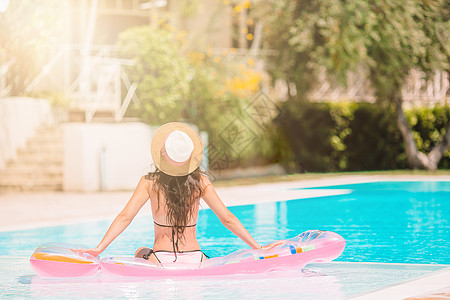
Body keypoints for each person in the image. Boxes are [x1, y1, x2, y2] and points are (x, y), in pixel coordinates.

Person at [76, 122, 281, 264]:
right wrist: (258, 246)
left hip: (160, 258)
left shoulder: (150, 182)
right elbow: (227, 218)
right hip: (195, 257)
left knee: (140, 251)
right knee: (210, 257)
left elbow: (125, 217)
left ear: (162, 155)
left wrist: (99, 248)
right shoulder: (201, 182)